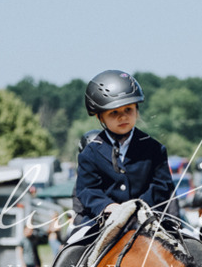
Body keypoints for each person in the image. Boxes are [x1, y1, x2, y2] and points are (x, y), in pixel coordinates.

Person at [73, 70, 174, 234]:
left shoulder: (154, 149)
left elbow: (162, 186)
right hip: (102, 221)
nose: (123, 117)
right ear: (100, 117)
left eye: (128, 110)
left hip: (147, 217)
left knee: (189, 244)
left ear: (137, 110)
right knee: (73, 247)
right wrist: (107, 206)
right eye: (114, 112)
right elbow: (87, 190)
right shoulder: (90, 153)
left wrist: (139, 207)